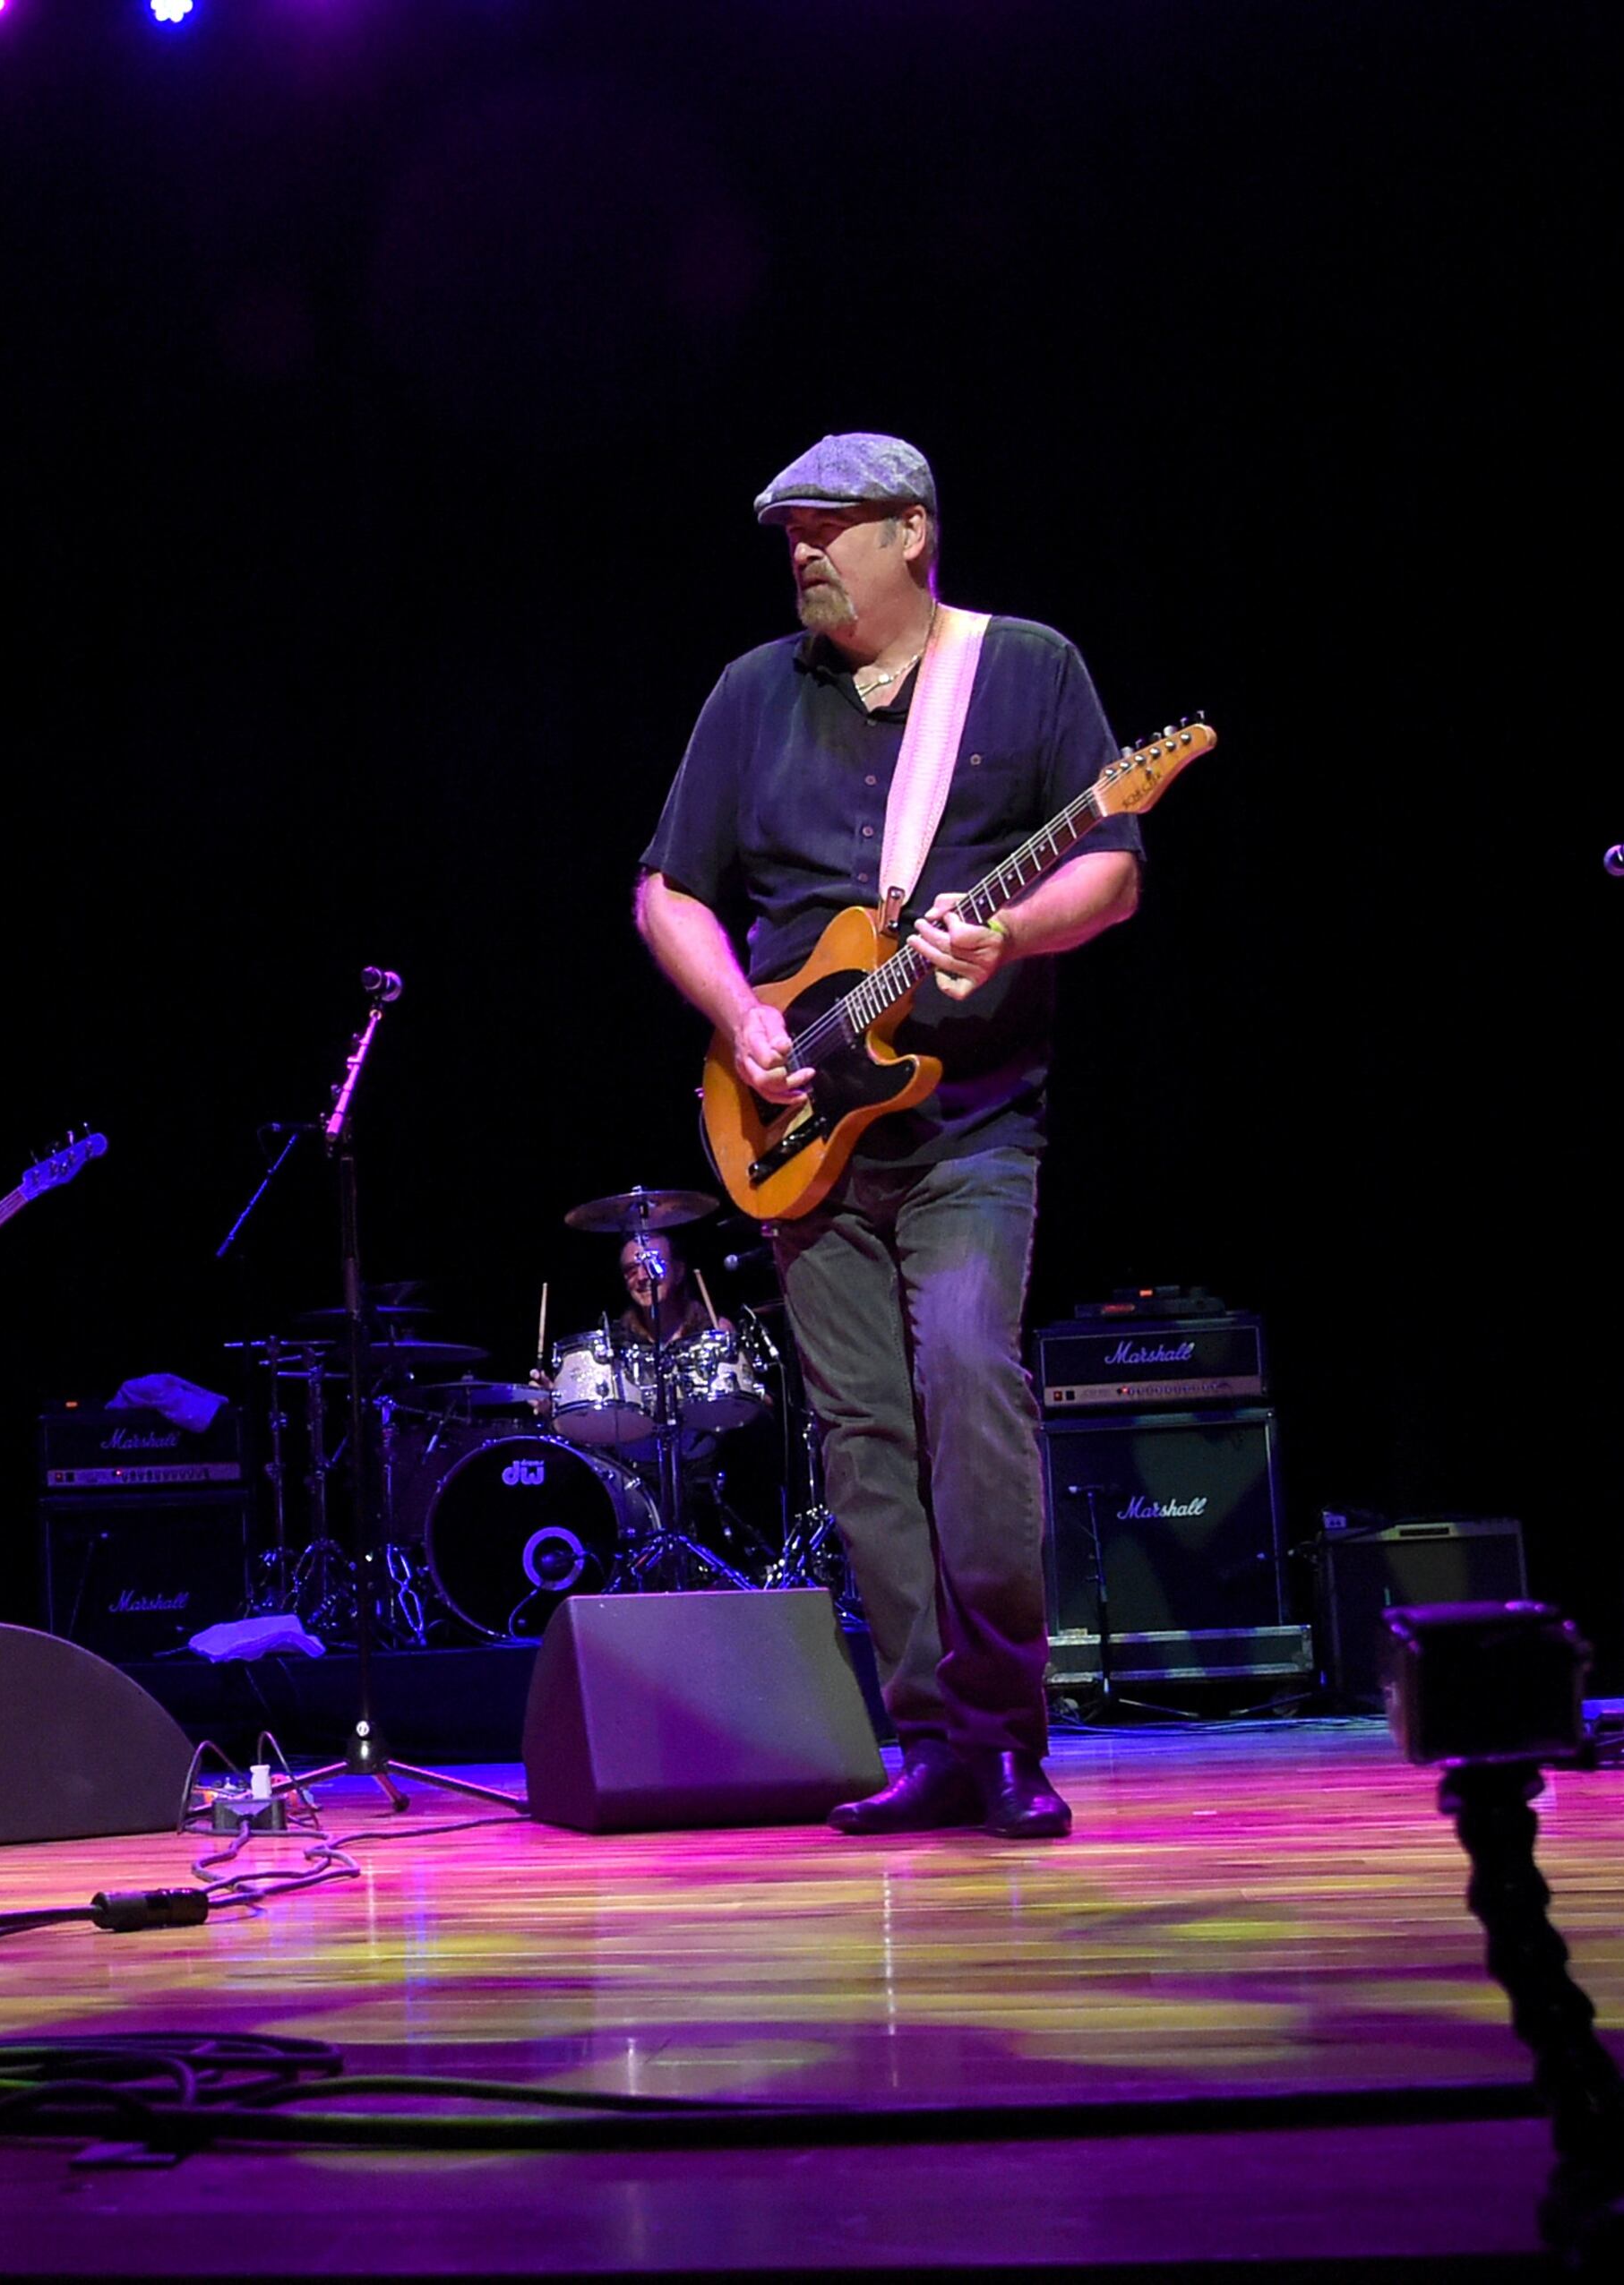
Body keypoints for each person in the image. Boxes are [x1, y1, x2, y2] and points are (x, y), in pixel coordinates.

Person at [632, 433, 1140, 1842]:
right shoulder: (752, 694)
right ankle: (930, 1739)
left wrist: (1013, 930)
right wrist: (740, 1014)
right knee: (862, 1436)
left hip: (973, 1116)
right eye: (788, 531)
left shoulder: (1026, 667)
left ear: (912, 530)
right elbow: (668, 892)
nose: (802, 551)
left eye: (829, 527)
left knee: (969, 1379)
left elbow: (1109, 868)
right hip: (802, 1127)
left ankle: (1006, 1736)